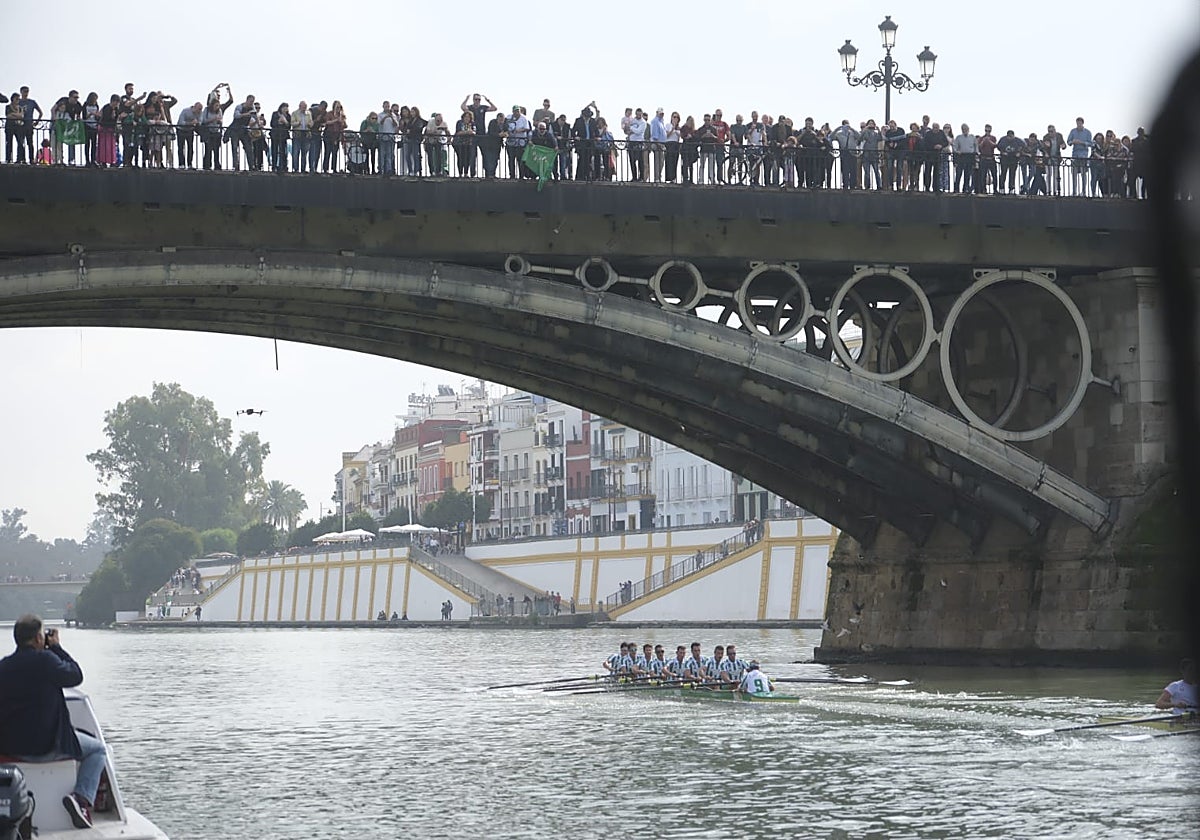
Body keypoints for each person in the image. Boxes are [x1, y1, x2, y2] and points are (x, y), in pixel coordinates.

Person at [0, 615, 108, 828]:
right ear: (39, 638)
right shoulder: (47, 661)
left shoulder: (3, 667)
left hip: (11, 747)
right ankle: (81, 799)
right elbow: (75, 676)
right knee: (97, 750)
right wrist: (56, 648)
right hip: (48, 746)